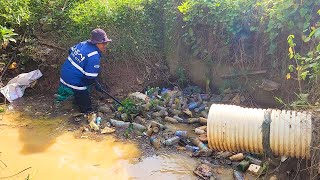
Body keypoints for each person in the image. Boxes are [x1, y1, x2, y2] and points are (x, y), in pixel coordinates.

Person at [56, 28, 112, 114]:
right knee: (86, 103)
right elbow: (90, 77)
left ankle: (73, 98)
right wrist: (96, 85)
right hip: (73, 80)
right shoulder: (94, 56)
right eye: (103, 43)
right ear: (96, 43)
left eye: (106, 43)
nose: (105, 46)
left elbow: (70, 50)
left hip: (64, 74)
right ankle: (85, 111)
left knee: (85, 82)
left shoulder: (83, 44)